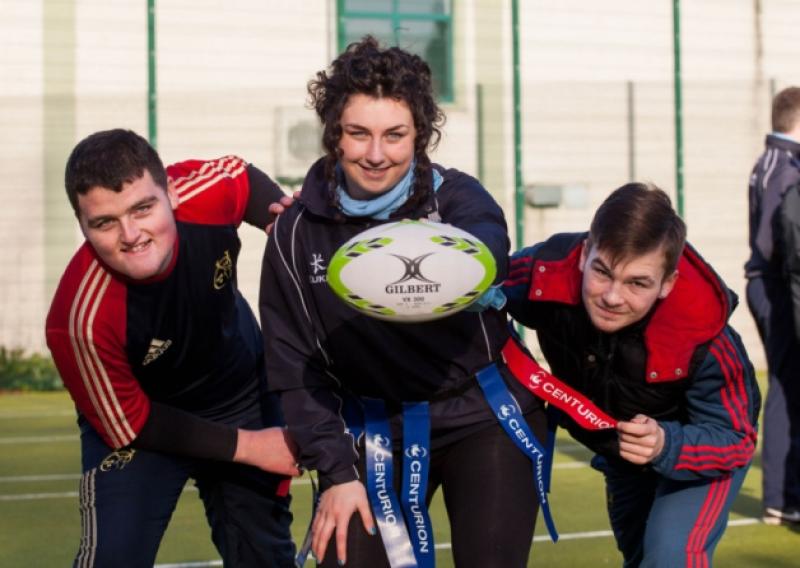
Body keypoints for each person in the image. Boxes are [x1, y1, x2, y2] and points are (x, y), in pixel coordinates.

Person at [259, 36, 548, 567]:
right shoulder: (295, 233)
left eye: (395, 135)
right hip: (371, 429)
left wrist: (440, 257)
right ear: (333, 135)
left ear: (420, 135)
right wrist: (337, 474)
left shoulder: (457, 200)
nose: (375, 154)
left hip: (481, 413)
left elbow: (488, 246)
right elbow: (294, 368)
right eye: (357, 133)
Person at [45, 129, 299, 567]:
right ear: (82, 226)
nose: (131, 234)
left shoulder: (207, 192)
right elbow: (133, 423)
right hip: (145, 423)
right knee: (113, 558)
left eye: (143, 208)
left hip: (236, 389)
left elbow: (243, 179)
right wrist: (254, 446)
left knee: (264, 556)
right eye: (104, 222)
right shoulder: (78, 321)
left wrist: (287, 224)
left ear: (173, 195)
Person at [504, 183, 760, 566]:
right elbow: (477, 280)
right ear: (584, 254)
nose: (612, 297)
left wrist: (664, 444)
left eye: (637, 283)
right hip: (622, 456)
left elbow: (736, 439)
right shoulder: (544, 272)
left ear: (667, 283)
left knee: (668, 557)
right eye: (603, 272)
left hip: (697, 452)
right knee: (639, 556)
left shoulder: (706, 334)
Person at [744, 86, 800, 525]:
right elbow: (777, 237)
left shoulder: (767, 161)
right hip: (778, 284)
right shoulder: (786, 168)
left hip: (766, 282)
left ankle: (780, 495)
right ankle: (784, 494)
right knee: (786, 387)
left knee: (784, 385)